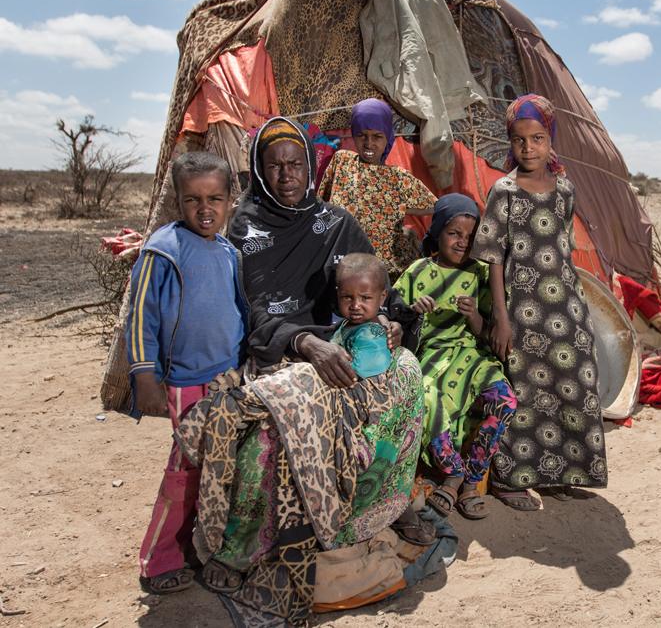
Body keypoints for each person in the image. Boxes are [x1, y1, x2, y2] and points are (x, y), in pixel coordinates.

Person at [189, 117, 432, 623]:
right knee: (279, 421)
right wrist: (303, 343)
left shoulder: (336, 223)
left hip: (341, 342)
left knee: (407, 373)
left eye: (295, 163)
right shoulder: (243, 228)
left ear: (310, 163)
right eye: (273, 166)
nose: (286, 175)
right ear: (258, 170)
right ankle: (240, 550)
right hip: (279, 350)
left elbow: (370, 286)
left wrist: (385, 322)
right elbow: (248, 310)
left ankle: (382, 503)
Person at [470, 94, 608, 511]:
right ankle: (511, 479)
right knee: (527, 390)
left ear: (551, 141)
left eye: (537, 138)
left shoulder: (565, 189)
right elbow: (494, 257)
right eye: (519, 140)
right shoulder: (504, 191)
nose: (528, 148)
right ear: (509, 143)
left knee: (576, 381)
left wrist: (577, 308)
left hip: (566, 306)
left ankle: (565, 473)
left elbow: (562, 246)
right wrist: (501, 318)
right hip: (522, 308)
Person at [126, 151, 248, 594]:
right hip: (184, 381)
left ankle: (204, 547)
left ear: (230, 200)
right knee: (185, 471)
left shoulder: (229, 251)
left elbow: (237, 311)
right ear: (178, 201)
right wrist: (145, 376)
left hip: (227, 379)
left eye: (215, 198)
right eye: (193, 199)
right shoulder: (164, 249)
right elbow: (140, 316)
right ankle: (158, 559)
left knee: (221, 469)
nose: (205, 208)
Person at [394, 194, 517, 520]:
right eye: (454, 233)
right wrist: (413, 313)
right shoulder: (419, 271)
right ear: (436, 231)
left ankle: (474, 476)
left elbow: (489, 333)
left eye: (470, 236)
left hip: (473, 356)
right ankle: (454, 472)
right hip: (433, 356)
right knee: (428, 398)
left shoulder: (480, 274)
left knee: (504, 400)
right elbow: (394, 319)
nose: (463, 242)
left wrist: (475, 316)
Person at [318, 98, 437, 277]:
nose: (368, 143)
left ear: (388, 136)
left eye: (377, 136)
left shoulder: (398, 178)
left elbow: (437, 206)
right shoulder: (342, 162)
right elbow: (321, 205)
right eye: (361, 135)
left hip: (383, 272)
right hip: (343, 265)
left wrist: (405, 227)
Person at [331, 253, 393, 379]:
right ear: (338, 294)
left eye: (365, 298)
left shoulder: (370, 334)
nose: (355, 305)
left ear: (382, 297)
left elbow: (360, 372)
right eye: (347, 297)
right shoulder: (348, 324)